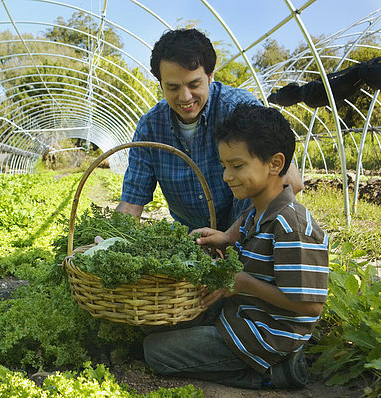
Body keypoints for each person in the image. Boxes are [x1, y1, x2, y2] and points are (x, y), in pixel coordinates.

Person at [142, 104, 329, 389]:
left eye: (237, 166)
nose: (227, 176)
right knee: (151, 322)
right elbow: (243, 227)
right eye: (224, 166)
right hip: (241, 313)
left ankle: (274, 374)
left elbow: (310, 305)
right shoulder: (259, 211)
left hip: (265, 335)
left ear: (275, 164)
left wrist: (242, 282)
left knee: (155, 351)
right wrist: (227, 237)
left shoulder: (293, 227)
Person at [116, 28, 303, 233]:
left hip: (249, 237)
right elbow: (132, 202)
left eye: (194, 84)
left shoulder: (237, 109)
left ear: (210, 76)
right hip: (193, 244)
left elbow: (290, 180)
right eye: (173, 87)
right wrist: (110, 239)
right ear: (161, 84)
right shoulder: (151, 127)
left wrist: (231, 236)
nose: (185, 97)